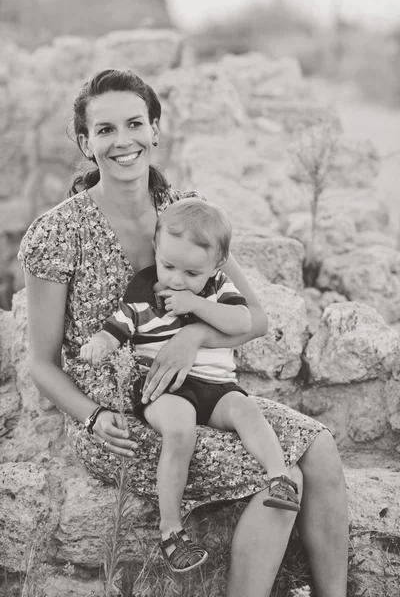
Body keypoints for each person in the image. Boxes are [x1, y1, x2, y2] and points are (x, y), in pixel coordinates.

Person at [18, 68, 348, 596]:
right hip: (128, 413)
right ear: (85, 143)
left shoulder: (188, 213)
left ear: (155, 130)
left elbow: (254, 319)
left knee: (322, 447)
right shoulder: (58, 232)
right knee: (285, 479)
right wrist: (94, 417)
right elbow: (42, 362)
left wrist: (194, 336)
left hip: (206, 386)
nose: (123, 141)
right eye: (105, 130)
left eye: (134, 124)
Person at [80, 198, 301, 572]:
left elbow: (243, 323)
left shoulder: (218, 288)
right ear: (156, 250)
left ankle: (279, 479)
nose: (177, 280)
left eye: (191, 273)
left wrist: (195, 305)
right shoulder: (144, 292)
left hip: (217, 386)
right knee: (181, 430)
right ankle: (171, 530)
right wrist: (99, 344)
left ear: (216, 266)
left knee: (248, 411)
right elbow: (117, 327)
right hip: (165, 388)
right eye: (168, 266)